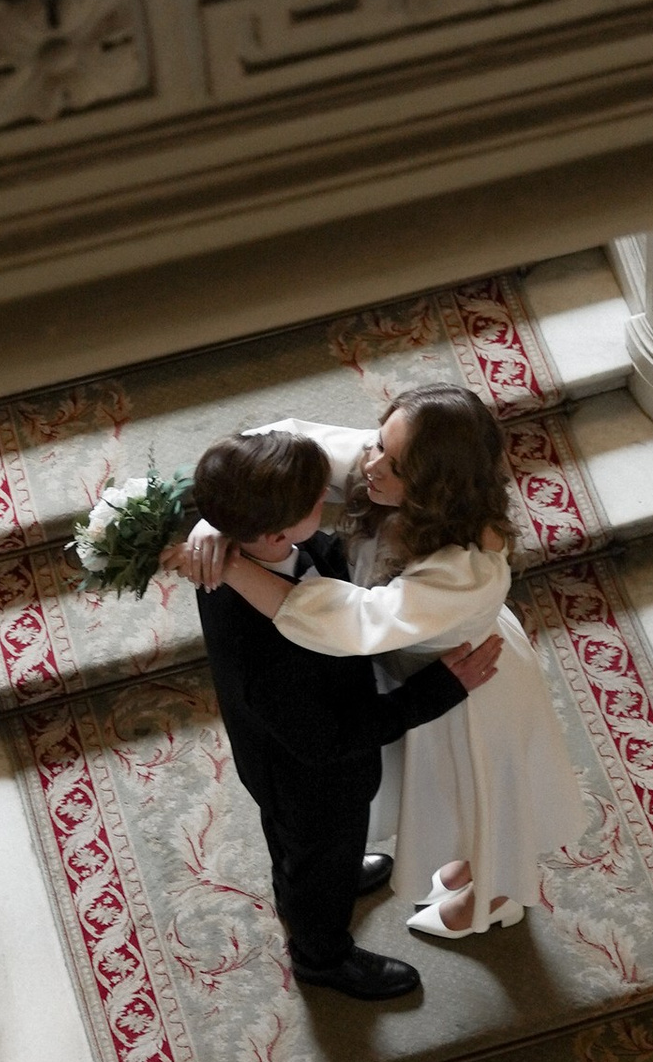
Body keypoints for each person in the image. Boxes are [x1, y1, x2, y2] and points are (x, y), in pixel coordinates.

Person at [176, 387, 585, 941]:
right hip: (410, 675)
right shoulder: (381, 470)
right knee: (447, 792)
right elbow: (276, 453)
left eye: (391, 464)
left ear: (434, 488)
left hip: (468, 685)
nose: (367, 465)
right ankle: (466, 863)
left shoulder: (469, 567)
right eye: (376, 443)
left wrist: (234, 565)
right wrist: (220, 522)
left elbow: (360, 622)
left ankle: (497, 895)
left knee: (487, 794)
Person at [179, 424, 504, 1003]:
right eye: (315, 502)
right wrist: (440, 688)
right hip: (311, 780)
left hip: (284, 759)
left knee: (310, 854)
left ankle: (315, 881)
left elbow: (326, 574)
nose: (328, 502)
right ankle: (320, 955)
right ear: (278, 530)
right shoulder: (263, 647)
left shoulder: (253, 552)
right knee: (315, 855)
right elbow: (331, 740)